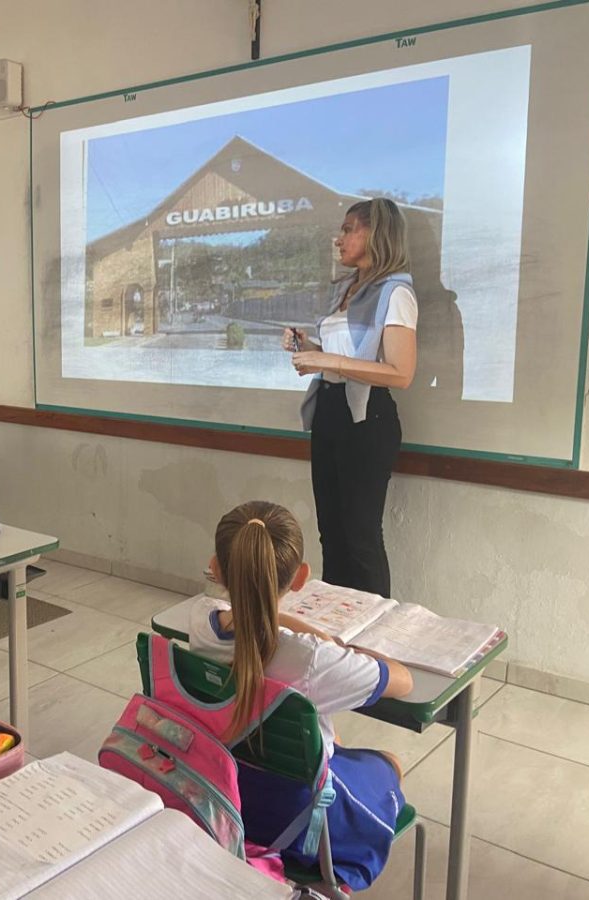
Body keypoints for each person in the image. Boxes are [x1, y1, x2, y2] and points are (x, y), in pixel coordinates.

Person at [189, 500, 413, 890]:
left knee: (334, 741)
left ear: (216, 567)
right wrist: (326, 641)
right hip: (294, 816)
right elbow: (403, 681)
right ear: (300, 578)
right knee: (389, 762)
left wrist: (294, 627)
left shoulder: (199, 622)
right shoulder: (309, 658)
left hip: (222, 793)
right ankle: (329, 878)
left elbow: (247, 621)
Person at [283, 198, 418, 597]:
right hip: (329, 411)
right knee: (331, 533)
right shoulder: (347, 289)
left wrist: (330, 359)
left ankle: (375, 629)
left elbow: (401, 373)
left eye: (348, 230)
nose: (338, 239)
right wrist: (309, 347)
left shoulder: (396, 293)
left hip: (366, 418)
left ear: (375, 234)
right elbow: (346, 356)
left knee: (361, 537)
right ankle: (337, 624)